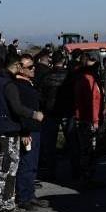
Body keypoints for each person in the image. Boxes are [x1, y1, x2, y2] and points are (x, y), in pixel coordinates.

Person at [0, 55, 25, 212]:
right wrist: (33, 114)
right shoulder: (9, 85)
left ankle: (8, 202)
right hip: (8, 131)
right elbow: (17, 108)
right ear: (16, 65)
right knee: (6, 169)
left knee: (8, 169)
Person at [11, 54, 48, 211]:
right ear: (21, 69)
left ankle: (30, 195)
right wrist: (24, 132)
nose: (34, 69)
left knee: (32, 165)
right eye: (30, 67)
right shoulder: (19, 86)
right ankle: (23, 197)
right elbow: (20, 111)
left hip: (35, 129)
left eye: (34, 66)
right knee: (26, 164)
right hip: (29, 130)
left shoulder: (29, 84)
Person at [70, 54, 105, 188]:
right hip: (88, 120)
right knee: (88, 150)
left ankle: (87, 176)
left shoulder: (84, 80)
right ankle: (86, 178)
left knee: (87, 149)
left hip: (86, 119)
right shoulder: (87, 80)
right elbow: (93, 102)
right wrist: (95, 120)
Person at [35, 50, 68, 181]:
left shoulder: (46, 76)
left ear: (51, 61)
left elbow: (41, 95)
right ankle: (77, 170)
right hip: (66, 111)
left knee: (50, 144)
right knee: (72, 140)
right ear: (63, 61)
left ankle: (50, 172)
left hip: (50, 112)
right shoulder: (69, 76)